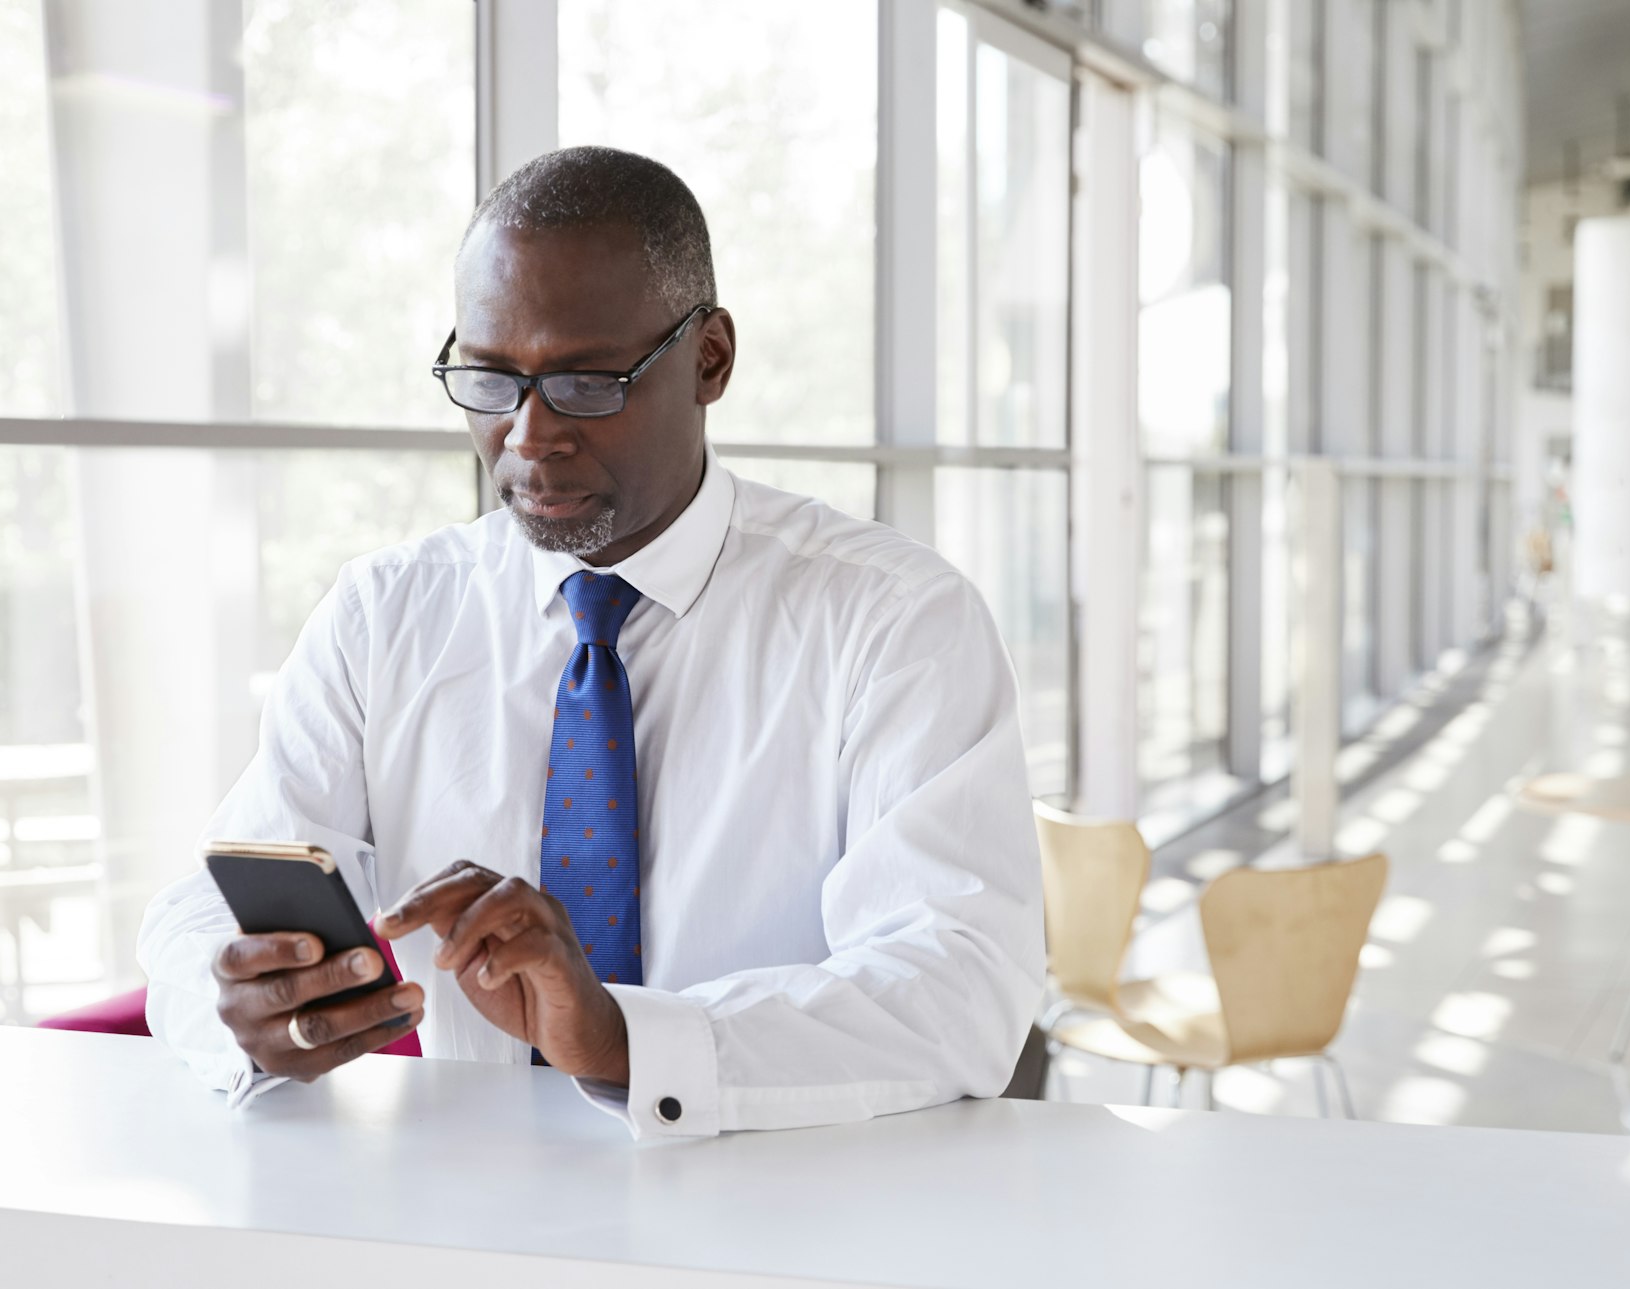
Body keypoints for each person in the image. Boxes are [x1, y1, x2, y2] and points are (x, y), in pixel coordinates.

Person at [138, 146, 1044, 1139]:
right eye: (489, 380)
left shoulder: (893, 620)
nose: (529, 435)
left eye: (585, 382)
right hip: (468, 1216)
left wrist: (623, 1036)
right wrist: (241, 1003)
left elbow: (958, 986)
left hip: (795, 1215)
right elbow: (203, 907)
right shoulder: (382, 615)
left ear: (709, 361)